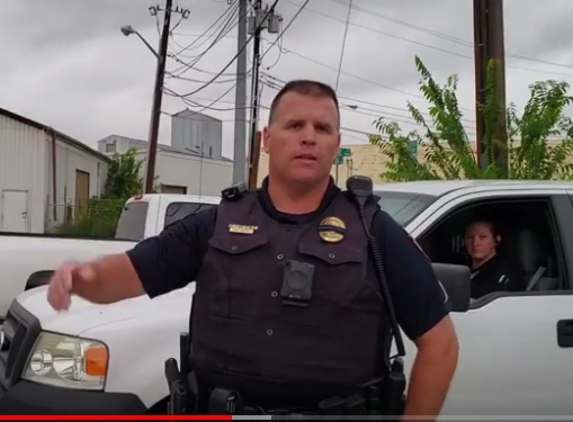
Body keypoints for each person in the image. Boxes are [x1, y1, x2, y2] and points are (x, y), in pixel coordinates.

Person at [47, 80, 458, 418]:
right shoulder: (217, 222)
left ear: (336, 145)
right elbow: (133, 272)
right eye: (295, 125)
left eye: (322, 128)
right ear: (266, 139)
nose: (308, 137)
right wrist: (83, 278)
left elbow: (440, 344)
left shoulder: (374, 232)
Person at [464, 218, 522, 299]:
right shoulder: (461, 268)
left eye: (482, 237)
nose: (475, 243)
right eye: (470, 237)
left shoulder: (504, 273)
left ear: (496, 240)